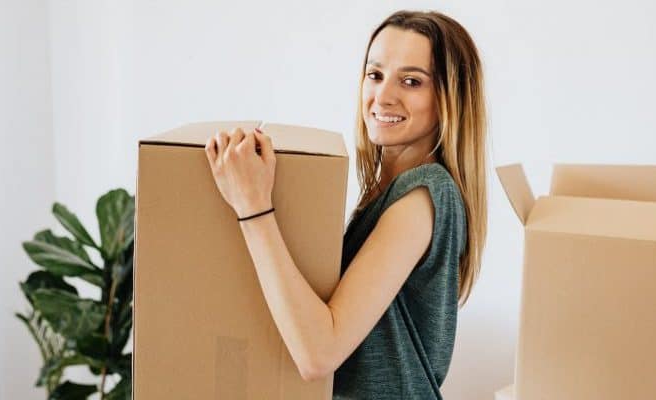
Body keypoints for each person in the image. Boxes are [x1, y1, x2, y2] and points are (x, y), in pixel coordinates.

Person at [204, 9, 487, 399]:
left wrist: (252, 206)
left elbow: (319, 353)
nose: (383, 96)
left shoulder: (424, 194)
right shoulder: (386, 195)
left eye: (411, 81)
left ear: (448, 99)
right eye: (375, 75)